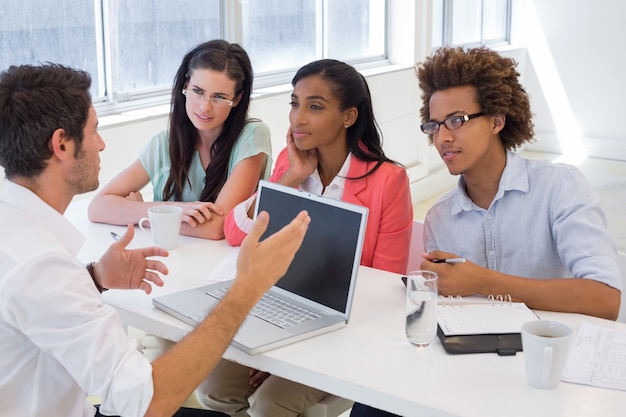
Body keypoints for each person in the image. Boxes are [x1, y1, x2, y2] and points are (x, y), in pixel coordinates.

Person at [0, 63, 310, 417]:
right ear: (61, 145)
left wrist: (94, 279)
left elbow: (31, 306)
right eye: (94, 131)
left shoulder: (18, 237)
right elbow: (145, 404)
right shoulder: (41, 265)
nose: (102, 144)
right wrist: (246, 289)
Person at [349, 45, 623, 417]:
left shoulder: (560, 187)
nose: (442, 137)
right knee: (372, 405)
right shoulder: (441, 218)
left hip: (549, 372)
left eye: (457, 120)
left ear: (497, 120)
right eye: (434, 125)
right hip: (471, 371)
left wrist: (483, 282)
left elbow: (605, 300)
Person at [195, 59, 414, 417]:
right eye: (294, 103)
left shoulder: (388, 181)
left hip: (343, 331)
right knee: (214, 385)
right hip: (279, 312)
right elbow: (235, 233)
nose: (298, 118)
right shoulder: (291, 162)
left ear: (348, 116)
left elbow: (384, 290)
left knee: (268, 404)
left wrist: (288, 350)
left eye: (315, 106)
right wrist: (292, 177)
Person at [88, 39, 271, 240]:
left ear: (236, 99)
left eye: (218, 97)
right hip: (169, 260)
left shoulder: (253, 136)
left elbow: (218, 226)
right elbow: (97, 208)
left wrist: (140, 210)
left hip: (222, 265)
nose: (204, 107)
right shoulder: (162, 144)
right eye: (198, 91)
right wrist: (177, 210)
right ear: (185, 86)